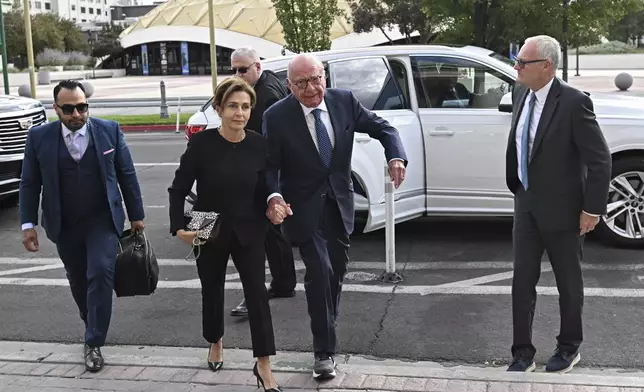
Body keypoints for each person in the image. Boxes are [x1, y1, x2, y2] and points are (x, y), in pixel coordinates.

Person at [262, 53, 408, 380]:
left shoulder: (344, 101)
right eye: (301, 83)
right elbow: (269, 166)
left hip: (340, 204)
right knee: (320, 270)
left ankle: (326, 322)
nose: (312, 88)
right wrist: (274, 197)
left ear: (324, 77)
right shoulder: (277, 116)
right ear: (289, 85)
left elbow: (384, 128)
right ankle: (323, 351)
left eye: (316, 79)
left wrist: (396, 156)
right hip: (302, 209)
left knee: (336, 271)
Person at [19, 80, 145, 372]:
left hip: (102, 220)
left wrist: (136, 215)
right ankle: (92, 324)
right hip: (64, 223)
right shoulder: (39, 137)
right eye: (69, 108)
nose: (77, 114)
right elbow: (29, 183)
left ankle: (93, 341)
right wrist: (28, 224)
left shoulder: (109, 130)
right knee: (78, 280)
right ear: (56, 109)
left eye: (82, 106)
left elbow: (126, 174)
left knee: (100, 273)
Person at [505, 35, 611, 373]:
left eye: (522, 62)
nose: (516, 67)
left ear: (546, 67)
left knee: (568, 283)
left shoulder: (574, 102)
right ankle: (522, 353)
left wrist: (592, 209)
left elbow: (600, 160)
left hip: (564, 210)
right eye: (517, 60)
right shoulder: (520, 91)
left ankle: (568, 348)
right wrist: (518, 187)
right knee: (522, 280)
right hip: (526, 203)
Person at [168, 77, 281, 392]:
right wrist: (180, 227)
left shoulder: (259, 144)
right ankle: (215, 340)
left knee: (257, 296)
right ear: (218, 108)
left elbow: (268, 184)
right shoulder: (201, 144)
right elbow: (178, 189)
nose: (240, 113)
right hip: (206, 222)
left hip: (250, 225)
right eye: (233, 106)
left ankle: (264, 365)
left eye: (245, 107)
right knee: (212, 290)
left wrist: (275, 202)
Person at [228, 47, 296, 318]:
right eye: (233, 69)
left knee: (257, 235)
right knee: (272, 232)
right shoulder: (267, 85)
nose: (237, 75)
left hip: (263, 172)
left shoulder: (266, 95)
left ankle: (257, 293)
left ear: (257, 66)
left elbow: (262, 140)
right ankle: (282, 283)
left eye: (242, 69)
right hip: (266, 172)